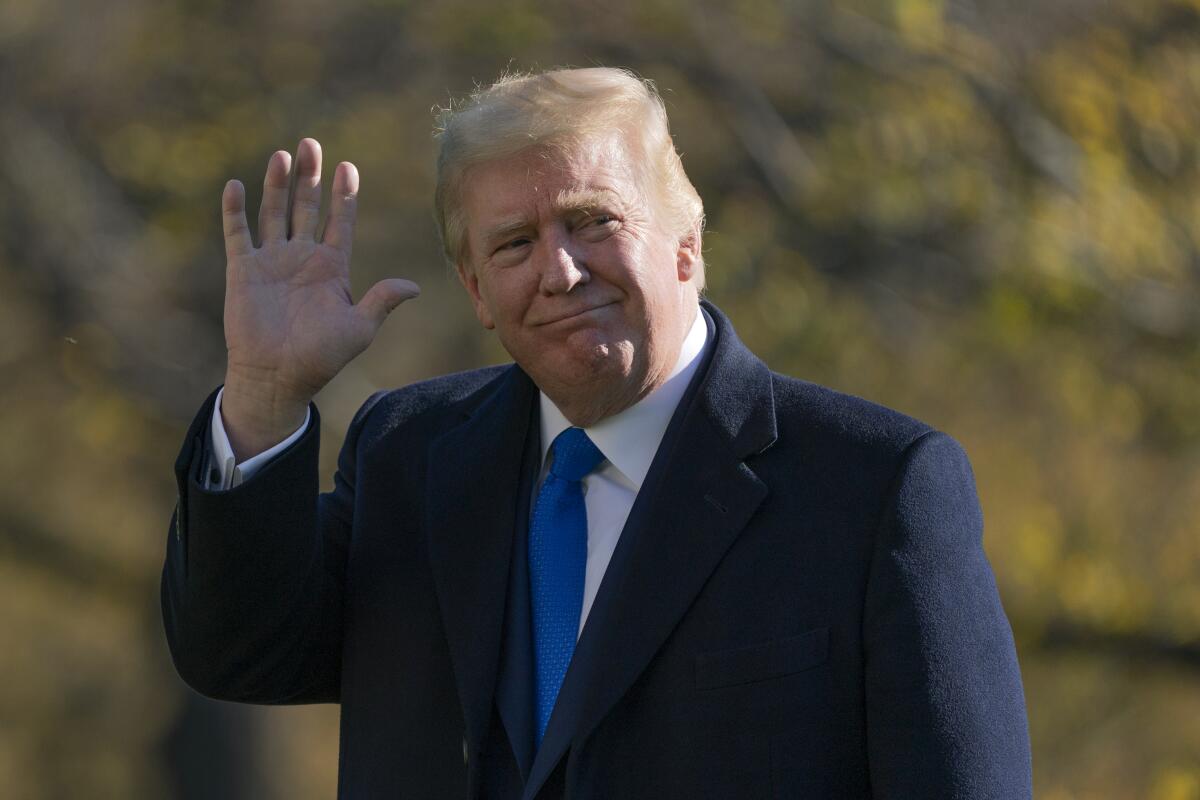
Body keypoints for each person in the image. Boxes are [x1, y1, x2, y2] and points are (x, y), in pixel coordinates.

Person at [161, 67, 1032, 799]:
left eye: (593, 221)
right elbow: (240, 657)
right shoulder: (409, 459)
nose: (561, 270)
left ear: (687, 243)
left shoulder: (876, 488)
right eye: (512, 245)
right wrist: (265, 396)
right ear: (476, 294)